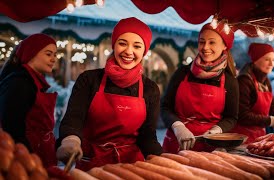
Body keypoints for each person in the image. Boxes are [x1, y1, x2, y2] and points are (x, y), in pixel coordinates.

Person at [56, 17, 163, 171]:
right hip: (91, 163)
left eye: (137, 46)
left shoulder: (150, 89)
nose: (128, 51)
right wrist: (71, 140)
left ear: (144, 51)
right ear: (114, 45)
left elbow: (147, 136)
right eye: (122, 43)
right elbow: (74, 119)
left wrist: (162, 159)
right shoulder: (89, 79)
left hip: (130, 166)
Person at [161, 22, 239, 153]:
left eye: (212, 42)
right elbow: (165, 107)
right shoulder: (182, 73)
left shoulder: (230, 81)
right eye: (201, 42)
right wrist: (178, 126)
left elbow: (231, 117)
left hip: (209, 147)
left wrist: (217, 130)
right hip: (176, 144)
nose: (205, 47)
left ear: (225, 46)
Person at [0, 33, 58, 167]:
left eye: (55, 55)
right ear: (31, 54)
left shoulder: (32, 81)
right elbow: (12, 129)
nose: (54, 59)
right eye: (48, 54)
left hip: (40, 154)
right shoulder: (19, 83)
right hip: (26, 158)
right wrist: (30, 161)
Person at [230, 43, 274, 143]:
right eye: (267, 59)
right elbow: (243, 115)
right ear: (255, 60)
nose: (271, 64)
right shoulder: (244, 80)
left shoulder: (265, 81)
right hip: (241, 137)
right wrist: (272, 121)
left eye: (273, 60)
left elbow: (272, 106)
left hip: (258, 136)